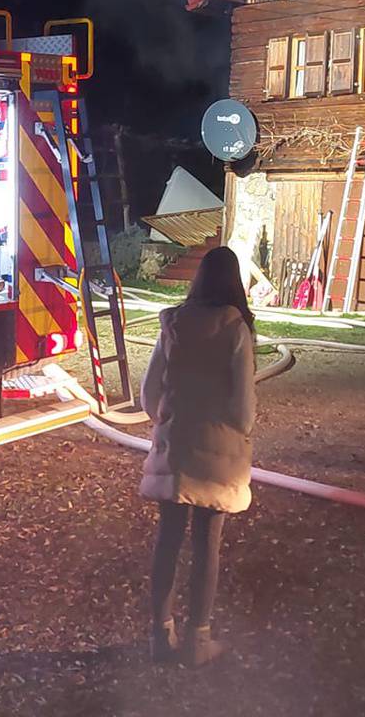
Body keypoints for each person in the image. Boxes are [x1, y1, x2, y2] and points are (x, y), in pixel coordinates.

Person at [139, 244, 257, 665]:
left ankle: (159, 634)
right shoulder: (235, 328)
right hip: (218, 451)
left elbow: (149, 393)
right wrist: (240, 432)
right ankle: (197, 639)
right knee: (208, 543)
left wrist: (167, 420)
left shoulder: (173, 323)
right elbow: (243, 406)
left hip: (176, 447)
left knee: (167, 539)